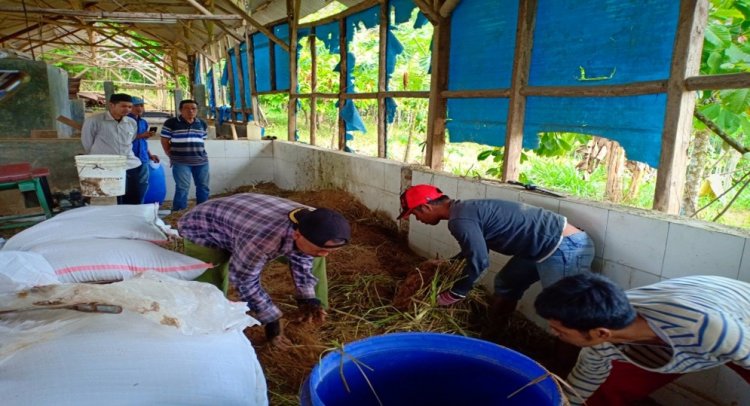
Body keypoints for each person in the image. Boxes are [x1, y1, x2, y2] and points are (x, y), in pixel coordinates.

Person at [534, 273, 750, 406]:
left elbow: (730, 341)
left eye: (559, 330)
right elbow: (579, 388)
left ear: (601, 333)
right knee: (607, 391)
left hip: (740, 318)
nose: (554, 334)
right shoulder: (603, 334)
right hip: (687, 312)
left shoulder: (707, 329)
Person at [178, 193, 351, 347]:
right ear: (297, 235)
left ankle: (314, 310)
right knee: (210, 279)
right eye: (321, 249)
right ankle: (206, 330)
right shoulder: (264, 239)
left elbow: (303, 255)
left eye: (330, 250)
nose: (325, 254)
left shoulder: (318, 222)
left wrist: (308, 298)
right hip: (205, 227)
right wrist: (271, 319)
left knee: (315, 259)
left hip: (245, 219)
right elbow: (243, 279)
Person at [396, 184, 594, 312]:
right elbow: (473, 250)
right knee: (507, 282)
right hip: (539, 248)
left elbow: (480, 261)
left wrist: (457, 292)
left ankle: (563, 370)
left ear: (426, 208)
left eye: (415, 215)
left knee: (565, 313)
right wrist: (451, 263)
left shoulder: (460, 220)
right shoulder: (464, 211)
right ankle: (495, 337)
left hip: (563, 246)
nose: (419, 221)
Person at [81, 93, 141, 204]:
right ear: (112, 105)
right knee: (107, 201)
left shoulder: (131, 123)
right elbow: (87, 144)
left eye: (129, 107)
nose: (127, 109)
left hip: (129, 165)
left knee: (132, 200)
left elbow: (130, 140)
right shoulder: (94, 121)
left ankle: (129, 221)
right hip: (104, 167)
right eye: (123, 106)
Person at [160, 99, 209, 211]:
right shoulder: (171, 123)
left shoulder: (201, 123)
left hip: (201, 161)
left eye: (193, 108)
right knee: (182, 188)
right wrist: (170, 155)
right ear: (180, 110)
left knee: (203, 187)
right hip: (181, 162)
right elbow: (164, 140)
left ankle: (203, 211)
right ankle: (178, 212)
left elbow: (202, 140)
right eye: (187, 108)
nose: (190, 111)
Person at [124, 97, 160, 204]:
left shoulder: (143, 122)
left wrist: (150, 155)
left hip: (143, 156)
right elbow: (122, 139)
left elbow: (143, 141)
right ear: (129, 107)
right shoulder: (124, 121)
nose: (139, 108)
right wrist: (140, 136)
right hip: (130, 158)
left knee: (143, 183)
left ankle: (140, 204)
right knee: (129, 184)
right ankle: (128, 207)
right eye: (136, 106)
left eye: (141, 105)